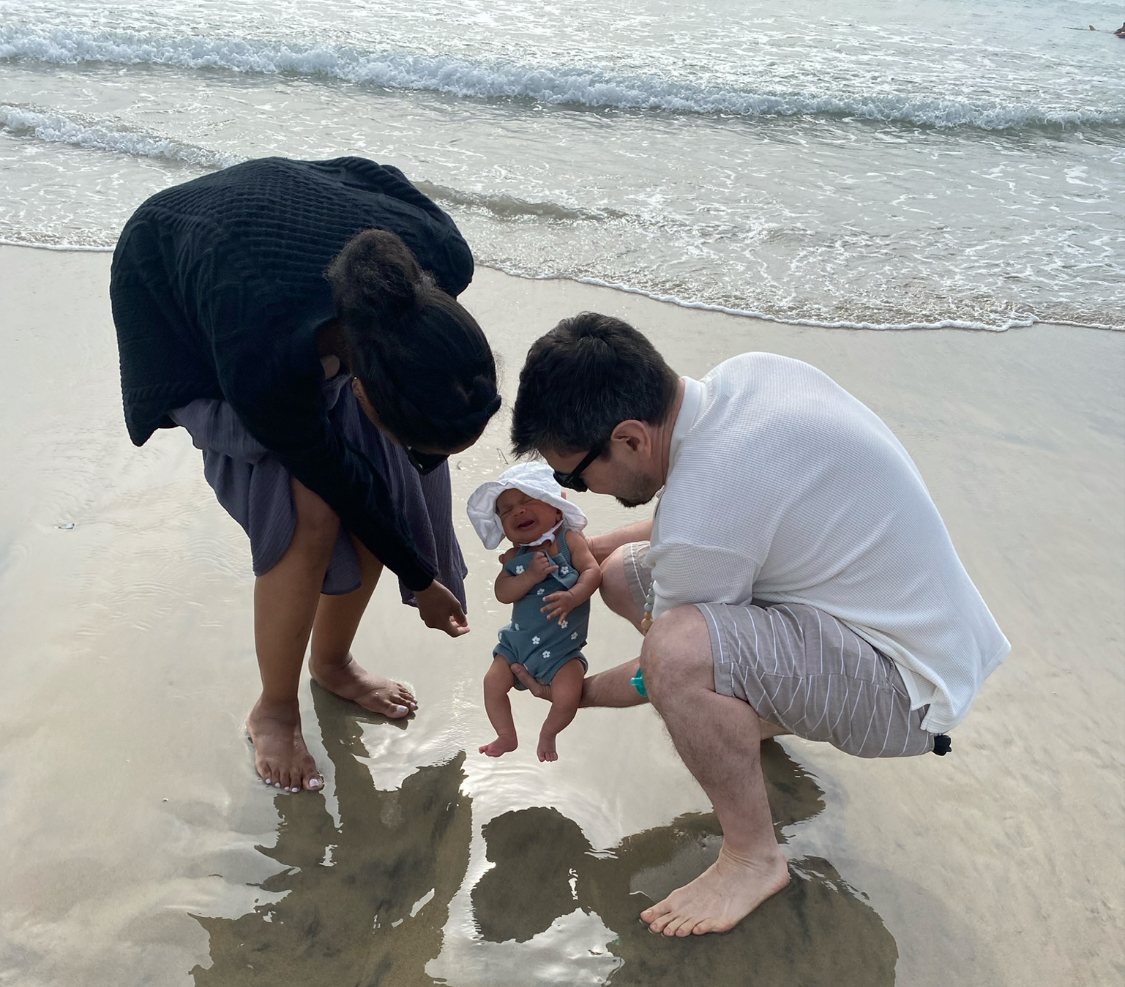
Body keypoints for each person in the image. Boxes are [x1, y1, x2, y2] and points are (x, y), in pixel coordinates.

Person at [510, 314, 1010, 937]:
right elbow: (707, 523)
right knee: (619, 575)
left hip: (905, 690)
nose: (575, 488)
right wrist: (587, 547)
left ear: (632, 439)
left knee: (677, 655)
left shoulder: (709, 498)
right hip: (912, 629)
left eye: (572, 475)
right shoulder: (743, 382)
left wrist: (573, 692)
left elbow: (656, 668)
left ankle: (752, 855)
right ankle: (746, 724)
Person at [110, 155, 500, 792]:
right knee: (311, 510)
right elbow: (343, 478)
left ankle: (333, 662)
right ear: (365, 383)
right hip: (176, 284)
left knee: (384, 468)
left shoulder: (442, 258)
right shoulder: (264, 360)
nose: (431, 468)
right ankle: (274, 708)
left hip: (281, 214)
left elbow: (374, 172)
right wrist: (418, 574)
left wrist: (306, 191)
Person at [467, 463, 600, 762]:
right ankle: (506, 734)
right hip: (518, 644)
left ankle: (548, 733)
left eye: (527, 501)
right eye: (506, 510)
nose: (517, 511)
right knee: (492, 683)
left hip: (562, 649)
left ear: (556, 509)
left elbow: (593, 572)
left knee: (568, 698)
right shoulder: (516, 557)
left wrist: (572, 596)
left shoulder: (570, 541)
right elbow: (502, 593)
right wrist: (528, 577)